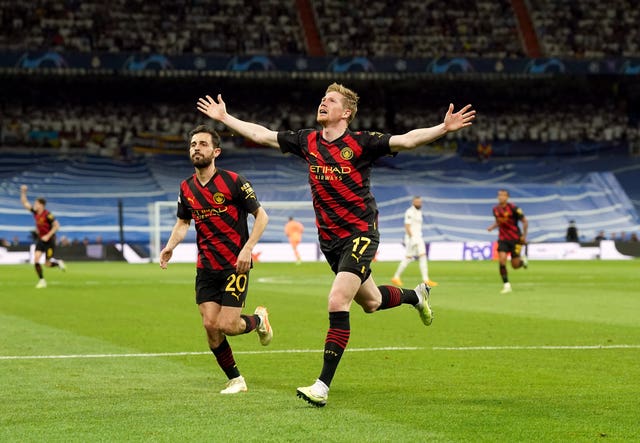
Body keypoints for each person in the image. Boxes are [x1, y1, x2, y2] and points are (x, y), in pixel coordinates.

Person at [197, 83, 475, 406]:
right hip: (330, 241)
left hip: (360, 233)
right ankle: (416, 296)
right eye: (322, 99)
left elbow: (407, 140)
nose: (322, 103)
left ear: (346, 113)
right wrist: (225, 117)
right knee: (370, 302)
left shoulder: (361, 143)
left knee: (337, 300)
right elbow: (262, 135)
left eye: (330, 100)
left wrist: (444, 127)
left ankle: (322, 386)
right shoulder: (308, 141)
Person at [159, 125, 272, 395]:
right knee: (210, 325)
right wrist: (170, 246)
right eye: (193, 144)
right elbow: (183, 222)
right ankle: (236, 379)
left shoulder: (234, 181)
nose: (196, 148)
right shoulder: (186, 187)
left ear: (216, 151)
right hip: (206, 267)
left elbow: (262, 217)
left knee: (227, 325)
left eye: (202, 144)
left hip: (235, 265)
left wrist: (248, 249)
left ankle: (258, 320)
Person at [20, 185, 66, 288]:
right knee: (36, 259)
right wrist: (23, 192)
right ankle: (42, 280)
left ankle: (58, 263)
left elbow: (57, 226)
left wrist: (48, 235)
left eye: (36, 203)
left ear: (41, 205)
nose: (34, 205)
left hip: (50, 241)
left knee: (47, 264)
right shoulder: (35, 212)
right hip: (41, 240)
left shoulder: (48, 215)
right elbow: (25, 203)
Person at [487, 189, 528, 294]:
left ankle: (522, 261)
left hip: (515, 239)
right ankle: (506, 285)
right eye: (499, 195)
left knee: (515, 265)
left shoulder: (514, 208)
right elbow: (499, 221)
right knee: (502, 260)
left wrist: (524, 235)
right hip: (503, 239)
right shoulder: (495, 209)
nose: (501, 197)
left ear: (507, 197)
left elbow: (524, 221)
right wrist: (493, 226)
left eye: (503, 195)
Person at [391, 196, 438, 288]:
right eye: (417, 202)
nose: (419, 203)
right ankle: (396, 277)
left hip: (419, 237)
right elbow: (407, 226)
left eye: (420, 202)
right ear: (413, 202)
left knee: (423, 256)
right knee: (408, 258)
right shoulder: (410, 212)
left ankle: (426, 279)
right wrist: (412, 238)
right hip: (411, 238)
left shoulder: (419, 212)